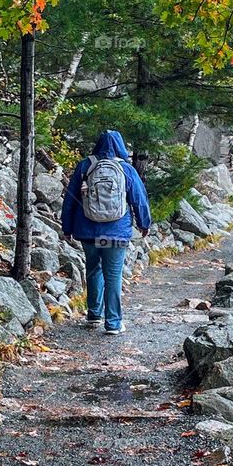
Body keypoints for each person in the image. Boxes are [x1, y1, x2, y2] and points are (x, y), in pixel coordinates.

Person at [61, 129, 151, 334]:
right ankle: (113, 323)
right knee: (113, 275)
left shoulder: (85, 166)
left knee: (93, 269)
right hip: (115, 233)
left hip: (88, 232)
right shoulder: (126, 169)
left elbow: (70, 200)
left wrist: (67, 227)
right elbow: (139, 199)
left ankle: (94, 314)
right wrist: (144, 224)